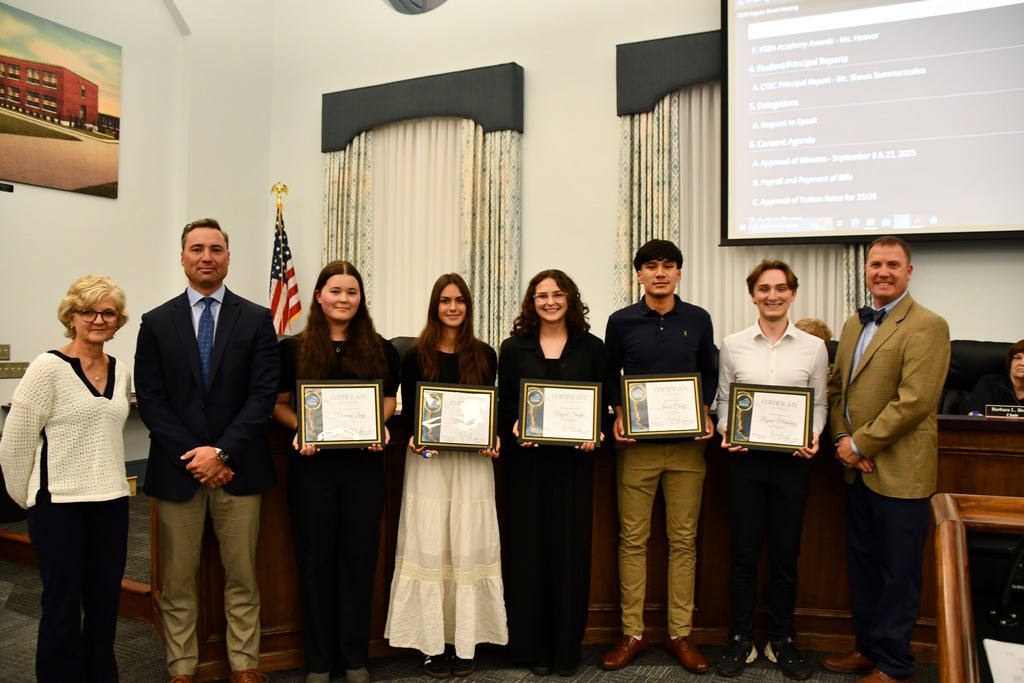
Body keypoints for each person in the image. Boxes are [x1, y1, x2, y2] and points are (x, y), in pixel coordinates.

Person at [135, 218, 280, 683]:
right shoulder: (156, 322)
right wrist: (198, 456)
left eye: (215, 249)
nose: (206, 257)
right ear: (182, 257)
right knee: (178, 580)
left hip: (239, 469)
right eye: (197, 248)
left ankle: (245, 664)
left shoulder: (256, 318)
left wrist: (221, 452)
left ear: (228, 257)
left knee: (242, 576)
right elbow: (151, 399)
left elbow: (263, 395)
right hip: (179, 471)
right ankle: (181, 667)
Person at [823, 236, 949, 683]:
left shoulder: (928, 325)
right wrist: (841, 437)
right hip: (856, 471)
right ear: (865, 270)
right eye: (875, 264)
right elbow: (837, 389)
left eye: (893, 265)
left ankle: (896, 665)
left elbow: (915, 402)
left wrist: (860, 445)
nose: (883, 272)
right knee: (863, 566)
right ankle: (868, 649)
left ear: (909, 271)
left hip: (900, 473)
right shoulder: (853, 324)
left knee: (899, 573)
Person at [272, 260, 400, 683]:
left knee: (359, 562)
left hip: (363, 470)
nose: (344, 299)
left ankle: (354, 656)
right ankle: (319, 661)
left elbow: (388, 400)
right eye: (336, 291)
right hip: (312, 471)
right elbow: (279, 405)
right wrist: (301, 429)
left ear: (360, 300)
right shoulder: (293, 348)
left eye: (352, 292)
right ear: (318, 296)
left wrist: (379, 423)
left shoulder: (380, 347)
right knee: (315, 563)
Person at [0, 275, 131, 683]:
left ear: (118, 320)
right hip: (58, 506)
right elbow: (15, 442)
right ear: (71, 317)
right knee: (60, 605)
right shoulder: (47, 368)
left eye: (107, 312)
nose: (98, 319)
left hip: (112, 501)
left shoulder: (121, 369)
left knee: (105, 603)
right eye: (88, 311)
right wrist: (26, 499)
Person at [600, 239, 716, 674]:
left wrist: (704, 412)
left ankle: (679, 634)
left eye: (669, 266)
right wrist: (618, 414)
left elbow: (710, 373)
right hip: (638, 449)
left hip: (688, 447)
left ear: (679, 274)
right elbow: (612, 375)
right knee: (633, 540)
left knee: (683, 540)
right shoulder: (622, 321)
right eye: (652, 267)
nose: (661, 273)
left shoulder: (698, 319)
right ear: (640, 275)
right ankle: (632, 632)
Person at [384, 273, 506, 680]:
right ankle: (432, 644)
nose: (452, 307)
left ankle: (464, 640)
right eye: (445, 301)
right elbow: (410, 416)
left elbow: (489, 413)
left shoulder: (486, 354)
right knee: (431, 544)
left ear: (468, 307)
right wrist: (415, 438)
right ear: (435, 306)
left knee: (467, 545)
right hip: (430, 464)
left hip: (472, 467)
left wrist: (492, 440)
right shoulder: (414, 355)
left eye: (459, 301)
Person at [713, 261, 828, 680]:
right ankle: (740, 640)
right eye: (764, 289)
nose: (773, 295)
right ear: (753, 295)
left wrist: (811, 434)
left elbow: (818, 404)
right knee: (743, 555)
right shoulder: (733, 344)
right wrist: (728, 427)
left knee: (786, 555)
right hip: (744, 462)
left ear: (793, 294)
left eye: (781, 288)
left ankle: (782, 640)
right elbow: (724, 400)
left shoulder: (814, 347)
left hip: (792, 466)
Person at [497, 269, 606, 677]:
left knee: (570, 557)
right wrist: (515, 428)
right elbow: (506, 406)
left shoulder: (592, 347)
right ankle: (531, 648)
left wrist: (595, 435)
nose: (550, 301)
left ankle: (565, 652)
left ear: (570, 299)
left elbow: (603, 406)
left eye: (558, 294)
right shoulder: (513, 348)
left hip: (573, 468)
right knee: (528, 556)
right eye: (541, 295)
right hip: (528, 468)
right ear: (532, 302)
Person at [960, 339, 1024, 415]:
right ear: (1010, 362)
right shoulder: (990, 383)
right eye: (1017, 358)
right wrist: (975, 415)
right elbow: (973, 411)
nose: (1022, 363)